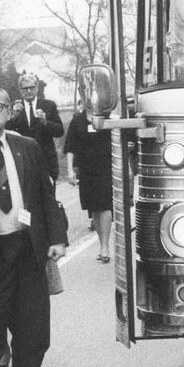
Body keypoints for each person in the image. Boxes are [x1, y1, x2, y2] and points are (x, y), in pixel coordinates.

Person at [0, 85, 68, 367]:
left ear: (8, 111)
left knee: (34, 335)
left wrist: (57, 237)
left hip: (25, 252)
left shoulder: (27, 146)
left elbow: (44, 195)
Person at [64, 108, 112, 262]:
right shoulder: (77, 120)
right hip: (86, 168)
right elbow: (70, 146)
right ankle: (101, 243)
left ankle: (105, 247)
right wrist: (70, 169)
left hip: (105, 166)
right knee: (94, 208)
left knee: (104, 205)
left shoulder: (108, 116)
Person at [7, 73, 63, 182]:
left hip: (46, 162)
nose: (28, 91)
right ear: (20, 89)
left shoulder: (49, 105)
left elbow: (59, 131)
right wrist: (13, 117)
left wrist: (46, 122)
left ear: (37, 87)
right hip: (23, 162)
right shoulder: (15, 108)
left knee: (49, 197)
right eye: (25, 88)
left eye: (31, 88)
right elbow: (5, 132)